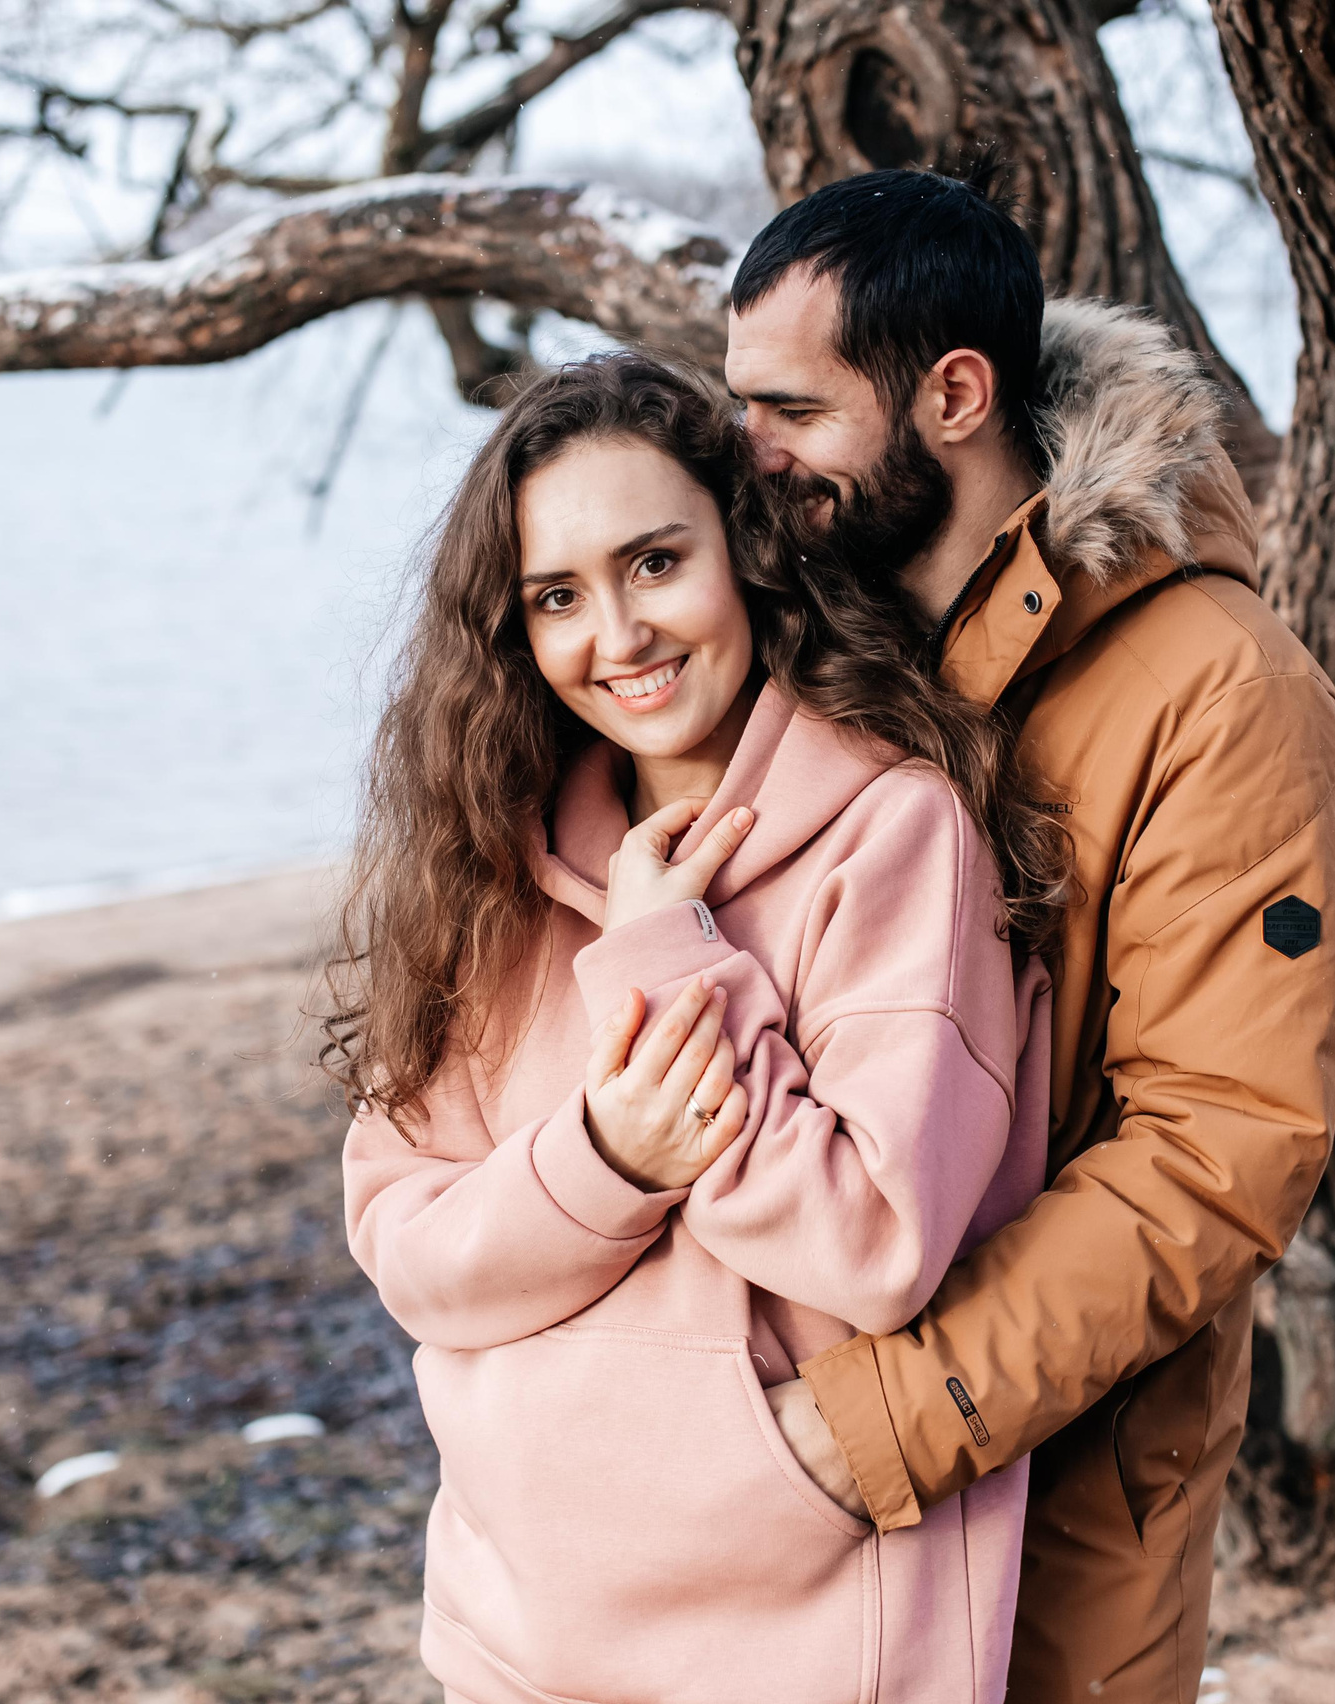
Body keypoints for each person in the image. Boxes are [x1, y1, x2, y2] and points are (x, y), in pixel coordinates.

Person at [322, 352, 1075, 1704]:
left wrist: (668, 958)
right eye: (558, 596)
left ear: (745, 551)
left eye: (655, 562)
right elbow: (411, 1251)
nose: (617, 637)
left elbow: (875, 1242)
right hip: (515, 1634)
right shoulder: (485, 862)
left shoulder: (895, 834)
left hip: (800, 1634)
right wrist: (609, 1161)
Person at [725, 168, 1335, 1704]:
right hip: (780, 1459)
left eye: (792, 413)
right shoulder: (807, 636)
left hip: (1058, 1479)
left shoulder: (1220, 692)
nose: (749, 463)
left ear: (953, 394)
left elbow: (1222, 1147)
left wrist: (878, 1419)